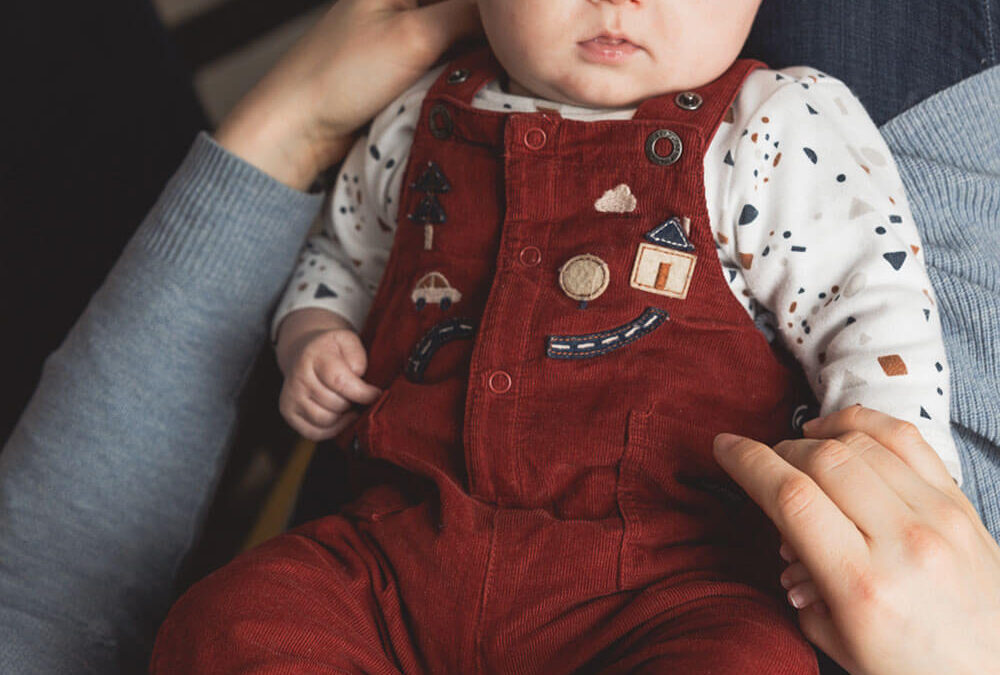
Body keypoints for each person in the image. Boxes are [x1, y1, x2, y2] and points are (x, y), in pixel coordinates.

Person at [1, 0, 997, 673]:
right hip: (399, 561)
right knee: (234, 627)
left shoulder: (775, 121)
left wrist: (881, 447)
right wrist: (318, 329)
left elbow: (865, 310)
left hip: (665, 572)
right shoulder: (413, 118)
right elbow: (342, 258)